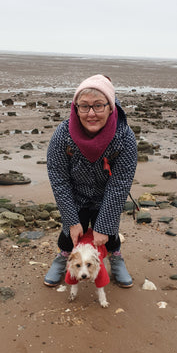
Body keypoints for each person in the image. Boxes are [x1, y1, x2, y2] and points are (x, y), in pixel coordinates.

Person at [44, 74, 138, 288]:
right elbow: (58, 178)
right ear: (75, 108)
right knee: (70, 233)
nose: (91, 113)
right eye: (84, 106)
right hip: (75, 194)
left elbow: (120, 183)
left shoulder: (125, 138)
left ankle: (115, 258)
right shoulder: (62, 135)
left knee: (108, 231)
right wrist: (72, 220)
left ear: (111, 107)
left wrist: (103, 226)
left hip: (106, 194)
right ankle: (64, 257)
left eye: (98, 106)